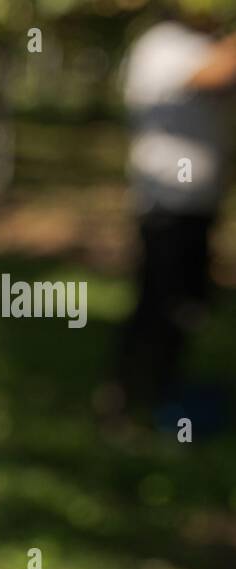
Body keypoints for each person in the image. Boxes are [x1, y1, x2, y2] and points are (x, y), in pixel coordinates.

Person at [109, 11, 236, 417]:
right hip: (169, 206)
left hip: (195, 205)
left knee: (185, 304)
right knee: (159, 305)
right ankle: (130, 399)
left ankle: (164, 392)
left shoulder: (194, 44)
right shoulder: (163, 44)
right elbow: (217, 71)